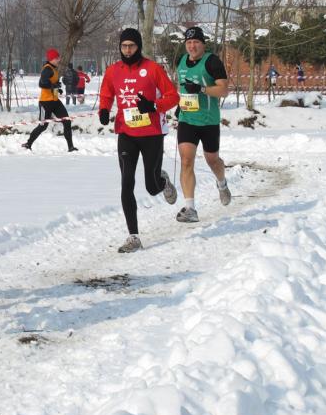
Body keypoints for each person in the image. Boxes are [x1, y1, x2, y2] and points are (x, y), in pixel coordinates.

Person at [98, 28, 179, 252]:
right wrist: (104, 110)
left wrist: (154, 105)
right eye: (124, 46)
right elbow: (106, 93)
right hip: (126, 134)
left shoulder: (152, 69)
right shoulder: (113, 71)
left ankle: (162, 181)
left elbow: (173, 96)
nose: (127, 50)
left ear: (139, 46)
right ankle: (134, 236)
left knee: (151, 187)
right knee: (126, 184)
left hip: (152, 133)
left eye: (132, 46)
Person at [175, 26, 230, 223]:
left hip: (208, 121)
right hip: (187, 118)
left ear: (203, 44)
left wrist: (201, 89)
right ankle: (190, 208)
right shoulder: (180, 61)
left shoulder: (212, 61)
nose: (192, 46)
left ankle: (222, 183)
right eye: (189, 43)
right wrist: (179, 104)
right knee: (186, 160)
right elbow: (180, 86)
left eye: (196, 42)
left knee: (212, 160)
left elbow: (224, 90)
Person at [22, 48, 78, 152]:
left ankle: (70, 147)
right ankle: (28, 144)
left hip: (55, 101)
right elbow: (42, 84)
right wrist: (54, 85)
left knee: (67, 121)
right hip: (45, 103)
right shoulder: (47, 69)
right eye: (57, 58)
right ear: (52, 59)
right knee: (43, 126)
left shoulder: (54, 69)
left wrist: (58, 89)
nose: (59, 59)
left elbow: (52, 84)